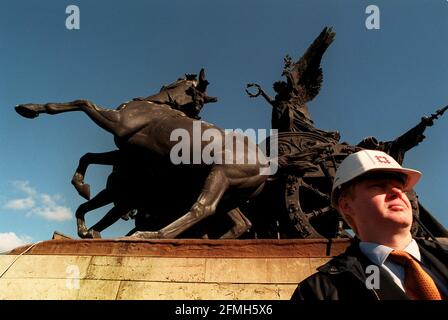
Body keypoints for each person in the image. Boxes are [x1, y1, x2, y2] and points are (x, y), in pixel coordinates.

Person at [291, 149, 448, 300]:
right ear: (346, 205)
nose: (397, 192)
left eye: (401, 187)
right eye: (378, 186)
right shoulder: (317, 291)